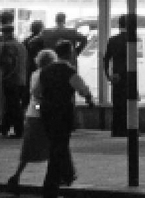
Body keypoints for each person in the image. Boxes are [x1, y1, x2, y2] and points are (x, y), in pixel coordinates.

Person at [38, 40, 94, 198]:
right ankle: (52, 183)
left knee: (57, 145)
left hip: (46, 112)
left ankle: (66, 175)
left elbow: (37, 92)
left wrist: (39, 107)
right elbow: (82, 89)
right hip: (63, 113)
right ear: (70, 53)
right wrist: (89, 99)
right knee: (59, 146)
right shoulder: (69, 71)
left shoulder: (45, 71)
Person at [6, 48, 57, 195]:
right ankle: (49, 180)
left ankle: (17, 176)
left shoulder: (35, 73)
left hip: (32, 113)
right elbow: (36, 94)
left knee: (29, 150)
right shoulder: (44, 75)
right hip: (39, 115)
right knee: (50, 148)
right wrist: (43, 107)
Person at [0, 19, 27, 138]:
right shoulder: (21, 45)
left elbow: (9, 63)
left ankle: (19, 130)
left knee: (13, 106)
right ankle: (4, 128)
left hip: (11, 79)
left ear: (5, 33)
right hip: (22, 79)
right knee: (12, 105)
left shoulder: (7, 46)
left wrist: (4, 76)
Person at [103, 14, 128, 137]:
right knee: (128, 103)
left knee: (117, 103)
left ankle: (116, 130)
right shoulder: (131, 39)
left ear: (119, 24)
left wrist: (108, 75)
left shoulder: (112, 40)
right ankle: (127, 128)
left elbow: (106, 58)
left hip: (116, 75)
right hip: (127, 76)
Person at [21, 19, 44, 109]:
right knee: (37, 94)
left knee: (27, 92)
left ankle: (26, 110)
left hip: (27, 69)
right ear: (41, 29)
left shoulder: (25, 41)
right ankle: (37, 109)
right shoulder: (41, 41)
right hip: (38, 69)